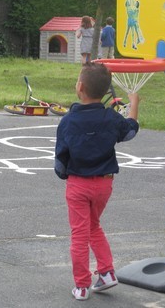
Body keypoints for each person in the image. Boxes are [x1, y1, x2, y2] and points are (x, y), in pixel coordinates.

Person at [54, 62, 140, 301]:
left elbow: (61, 158)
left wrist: (64, 176)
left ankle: (82, 285)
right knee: (93, 226)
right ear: (105, 91)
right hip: (104, 184)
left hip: (78, 184)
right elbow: (131, 130)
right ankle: (107, 272)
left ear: (80, 86)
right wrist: (134, 104)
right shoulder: (111, 118)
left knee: (80, 234)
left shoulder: (68, 122)